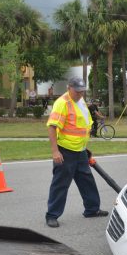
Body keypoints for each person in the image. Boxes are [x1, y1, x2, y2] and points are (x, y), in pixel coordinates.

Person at [45, 77, 108, 228]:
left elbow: (81, 126)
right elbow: (52, 126)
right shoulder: (62, 103)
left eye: (82, 91)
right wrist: (55, 151)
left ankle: (92, 209)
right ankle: (52, 215)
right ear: (69, 87)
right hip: (65, 151)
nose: (80, 94)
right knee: (60, 184)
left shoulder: (80, 101)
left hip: (79, 151)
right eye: (77, 91)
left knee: (87, 181)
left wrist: (84, 147)